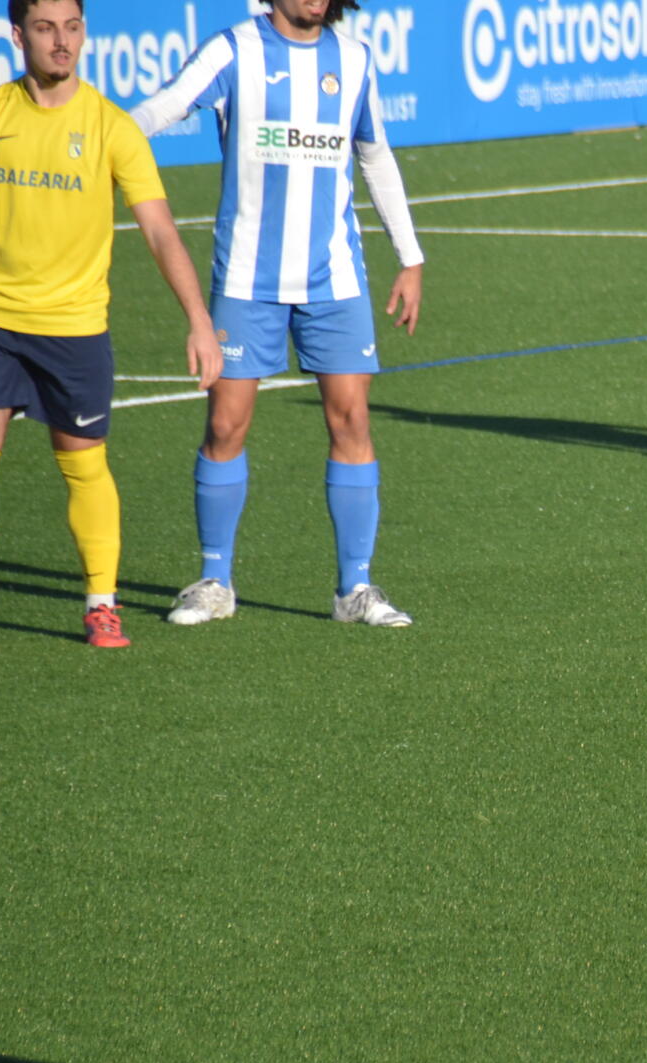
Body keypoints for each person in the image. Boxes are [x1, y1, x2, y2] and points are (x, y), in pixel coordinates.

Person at [129, 0, 424, 629]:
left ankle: (355, 588)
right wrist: (101, 139)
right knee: (226, 425)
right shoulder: (233, 48)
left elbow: (374, 154)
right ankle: (215, 581)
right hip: (247, 279)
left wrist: (410, 256)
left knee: (352, 420)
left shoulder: (354, 59)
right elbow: (163, 106)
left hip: (334, 279)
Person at [0, 0, 220, 652]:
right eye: (45, 28)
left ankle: (101, 606)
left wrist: (199, 320)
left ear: (84, 32)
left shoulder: (111, 126)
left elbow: (160, 230)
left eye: (71, 27)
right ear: (17, 36)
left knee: (85, 467)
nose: (61, 41)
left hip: (74, 327)